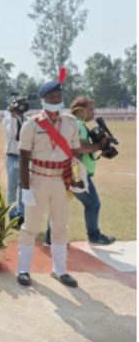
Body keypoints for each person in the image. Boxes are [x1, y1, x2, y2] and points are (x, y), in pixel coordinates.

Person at [17, 78, 82, 288]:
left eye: (59, 95)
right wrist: (25, 188)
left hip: (60, 181)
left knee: (60, 227)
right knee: (31, 227)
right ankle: (24, 269)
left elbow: (75, 154)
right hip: (38, 179)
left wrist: (77, 179)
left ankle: (60, 270)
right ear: (44, 99)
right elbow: (23, 157)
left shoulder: (71, 122)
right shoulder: (32, 123)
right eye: (52, 96)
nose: (56, 99)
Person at [44, 97, 116, 246]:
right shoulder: (78, 124)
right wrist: (99, 145)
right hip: (76, 172)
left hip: (63, 170)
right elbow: (80, 147)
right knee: (93, 204)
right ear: (81, 110)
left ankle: (51, 238)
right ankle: (94, 236)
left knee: (59, 204)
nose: (93, 112)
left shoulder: (68, 122)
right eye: (91, 109)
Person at [2, 98, 27, 225]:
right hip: (12, 156)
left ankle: (22, 214)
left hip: (24, 158)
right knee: (12, 187)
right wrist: (13, 116)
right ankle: (12, 214)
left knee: (24, 186)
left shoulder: (27, 120)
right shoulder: (7, 119)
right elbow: (12, 133)